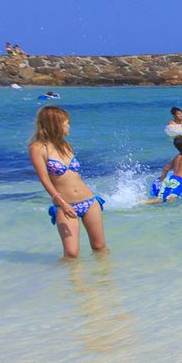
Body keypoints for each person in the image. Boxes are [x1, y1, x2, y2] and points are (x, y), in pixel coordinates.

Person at [27, 105, 107, 259]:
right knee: (71, 254)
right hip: (65, 204)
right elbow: (44, 179)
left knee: (99, 247)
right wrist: (61, 203)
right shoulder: (37, 148)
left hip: (89, 201)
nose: (69, 126)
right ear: (56, 124)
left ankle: (104, 274)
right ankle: (68, 276)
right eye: (66, 123)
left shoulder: (66, 146)